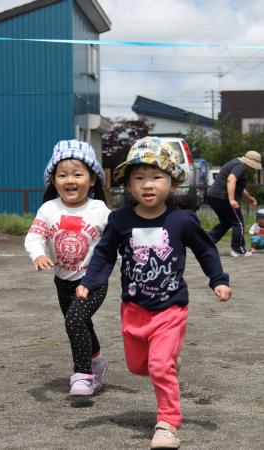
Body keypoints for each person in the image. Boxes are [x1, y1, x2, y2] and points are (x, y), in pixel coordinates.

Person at [76, 136, 232, 449]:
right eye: (139, 178)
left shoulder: (181, 220)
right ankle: (166, 364)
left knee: (159, 366)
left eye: (157, 177)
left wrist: (218, 278)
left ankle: (167, 424)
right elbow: (105, 254)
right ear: (129, 185)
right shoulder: (119, 221)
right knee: (138, 367)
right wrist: (89, 281)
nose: (148, 185)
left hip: (170, 310)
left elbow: (205, 249)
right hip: (133, 310)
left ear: (172, 184)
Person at [25, 139, 110, 396]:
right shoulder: (48, 209)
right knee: (81, 324)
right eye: (62, 175)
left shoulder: (99, 210)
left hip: (93, 280)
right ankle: (98, 363)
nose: (69, 180)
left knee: (74, 322)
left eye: (77, 174)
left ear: (92, 179)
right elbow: (34, 237)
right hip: (63, 281)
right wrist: (38, 254)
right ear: (53, 180)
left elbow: (117, 239)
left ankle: (83, 374)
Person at [207, 150, 262, 257]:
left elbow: (239, 188)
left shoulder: (237, 164)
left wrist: (250, 199)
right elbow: (231, 180)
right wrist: (232, 199)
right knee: (238, 223)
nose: (254, 169)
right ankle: (237, 249)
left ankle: (206, 242)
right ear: (250, 163)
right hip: (223, 198)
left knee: (227, 222)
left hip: (214, 196)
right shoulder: (239, 166)